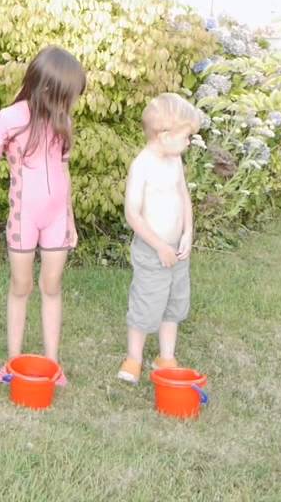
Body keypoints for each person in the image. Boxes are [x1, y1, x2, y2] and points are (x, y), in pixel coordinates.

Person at [0, 46, 86, 384]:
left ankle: (52, 364)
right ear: (46, 89)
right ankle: (13, 363)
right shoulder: (9, 119)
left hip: (56, 218)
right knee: (21, 285)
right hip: (23, 219)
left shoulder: (63, 121)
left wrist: (70, 219)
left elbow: (63, 171)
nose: (69, 104)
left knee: (52, 285)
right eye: (66, 96)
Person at [117, 92, 201, 384]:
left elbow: (183, 194)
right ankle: (134, 358)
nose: (189, 141)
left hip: (176, 250)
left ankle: (166, 356)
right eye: (186, 135)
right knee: (146, 303)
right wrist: (159, 246)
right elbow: (133, 214)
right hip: (153, 251)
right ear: (164, 135)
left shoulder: (174, 160)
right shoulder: (143, 166)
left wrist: (188, 231)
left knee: (173, 304)